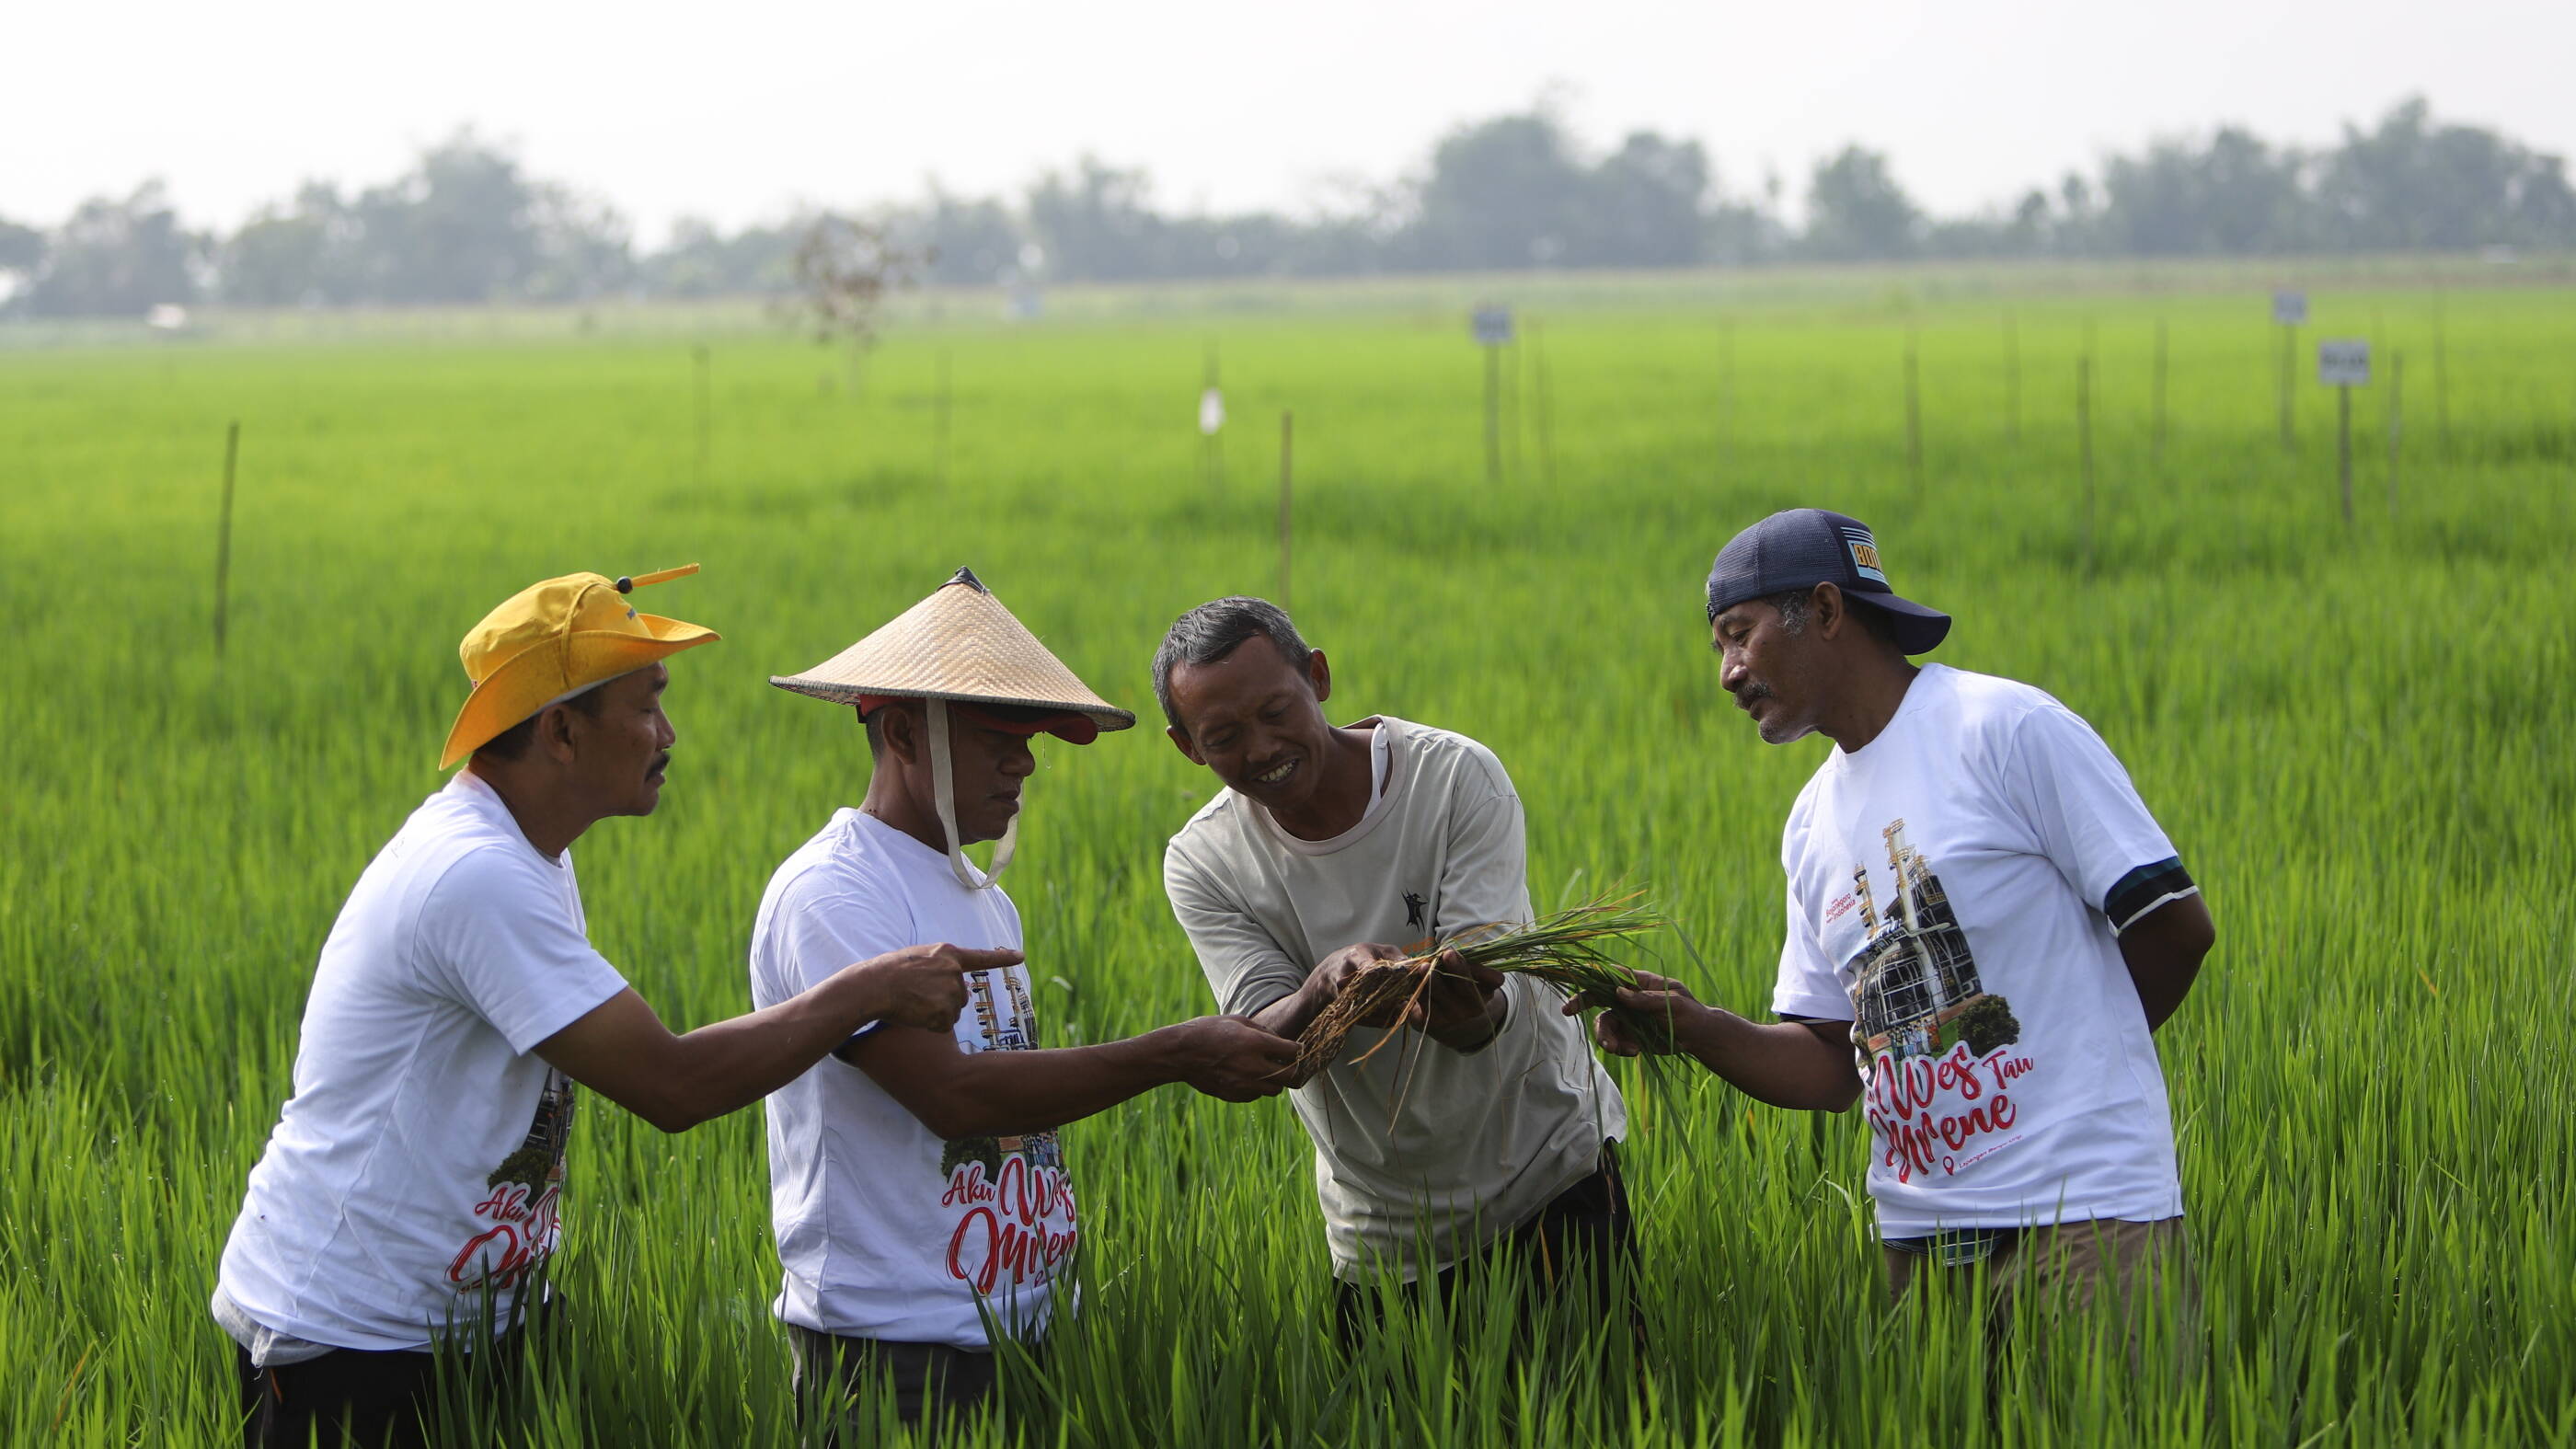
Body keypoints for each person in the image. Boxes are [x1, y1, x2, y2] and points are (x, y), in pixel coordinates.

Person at [212, 565, 1007, 1449]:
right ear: (560, 730)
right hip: (350, 1337)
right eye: (645, 706)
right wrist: (869, 988)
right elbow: (672, 1084)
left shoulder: (535, 855)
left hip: (461, 1322)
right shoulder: (475, 874)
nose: (668, 733)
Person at [1580, 509, 2214, 1350]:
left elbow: (2174, 924)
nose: (1728, 672)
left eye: (1739, 635)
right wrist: (1697, 1028)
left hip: (2084, 1218)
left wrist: (2077, 1057)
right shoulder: (1810, 824)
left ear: (1828, 610)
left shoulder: (2004, 730)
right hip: (1924, 1246)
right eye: (1718, 648)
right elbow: (1833, 1059)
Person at [753, 569, 1299, 1437]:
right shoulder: (835, 890)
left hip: (1023, 1334)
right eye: (998, 737)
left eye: (1032, 736)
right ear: (901, 730)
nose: (1026, 761)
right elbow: (955, 1097)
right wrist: (1176, 1052)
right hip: (897, 1354)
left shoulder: (981, 894)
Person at [1154, 596, 1630, 1339]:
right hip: (1381, 1229)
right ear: (1188, 747)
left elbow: (1480, 1015)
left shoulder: (1453, 778)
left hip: (1549, 1175)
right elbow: (1265, 1048)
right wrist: (1328, 982)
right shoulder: (1203, 860)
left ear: (1318, 677)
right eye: (1224, 736)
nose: (1262, 747)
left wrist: (1392, 989)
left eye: (1277, 710)